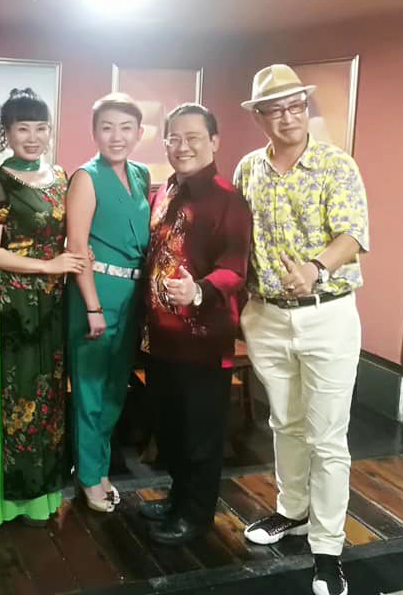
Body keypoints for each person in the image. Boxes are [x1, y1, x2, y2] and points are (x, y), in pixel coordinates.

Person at [234, 64, 369, 595]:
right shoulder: (248, 168)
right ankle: (292, 511)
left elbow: (352, 235)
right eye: (275, 109)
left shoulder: (336, 164)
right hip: (265, 315)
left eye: (296, 106)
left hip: (326, 312)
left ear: (305, 109)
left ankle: (328, 550)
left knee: (328, 438)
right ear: (259, 117)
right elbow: (234, 236)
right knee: (285, 422)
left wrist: (314, 267)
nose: (288, 117)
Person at [140, 103, 251, 545]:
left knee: (200, 433)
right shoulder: (165, 189)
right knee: (170, 426)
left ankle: (196, 515)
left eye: (193, 138)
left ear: (214, 142)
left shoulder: (228, 199)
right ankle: (177, 498)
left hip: (203, 339)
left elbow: (236, 269)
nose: (182, 146)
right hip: (159, 337)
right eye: (174, 138)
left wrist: (199, 290)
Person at [0, 88, 86, 526]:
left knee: (49, 396)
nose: (33, 137)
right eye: (23, 128)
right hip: (15, 299)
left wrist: (72, 257)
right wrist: (48, 265)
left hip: (54, 299)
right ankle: (6, 502)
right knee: (17, 395)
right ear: (6, 132)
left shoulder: (59, 175)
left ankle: (44, 495)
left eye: (41, 128)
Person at [66, 93, 150, 512]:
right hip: (95, 292)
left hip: (132, 294)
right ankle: (88, 476)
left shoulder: (141, 173)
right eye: (107, 127)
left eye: (125, 127)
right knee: (90, 389)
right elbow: (77, 247)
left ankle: (98, 469)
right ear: (94, 132)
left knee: (117, 388)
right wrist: (93, 307)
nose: (117, 136)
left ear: (139, 132)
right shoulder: (86, 176)